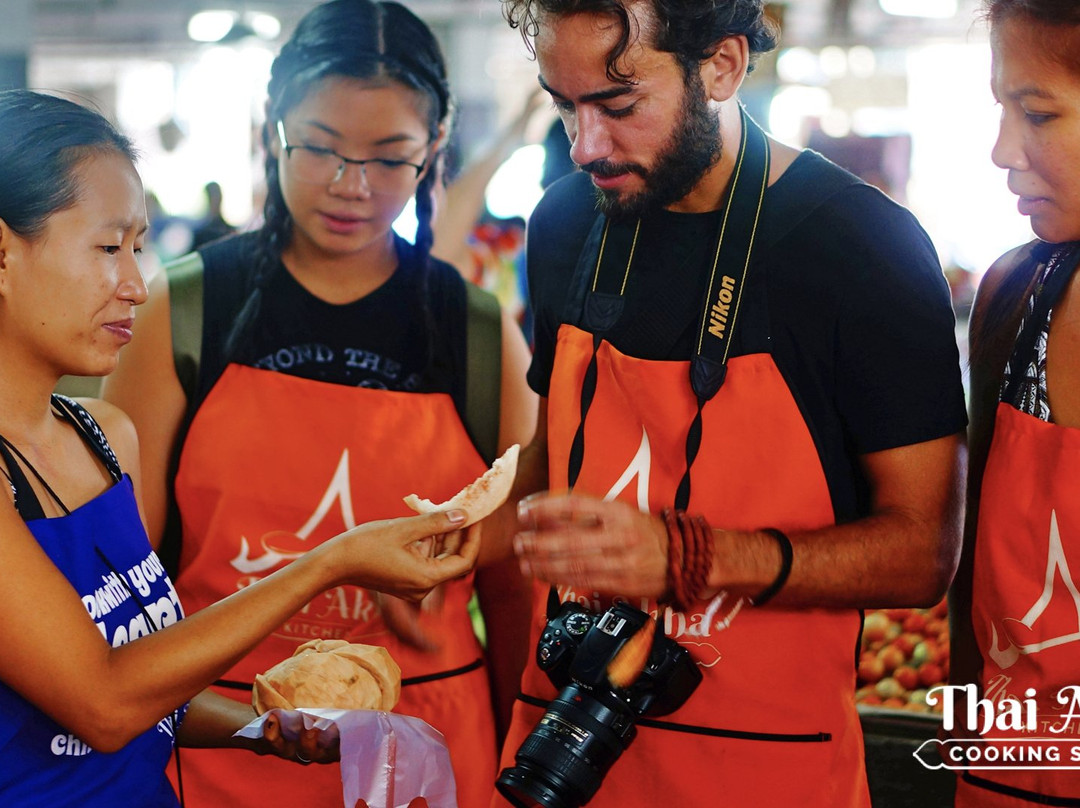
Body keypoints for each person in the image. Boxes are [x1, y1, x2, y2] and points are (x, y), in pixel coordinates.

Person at [483, 2, 968, 806]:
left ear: (722, 65)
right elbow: (550, 453)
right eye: (565, 106)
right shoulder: (566, 222)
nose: (585, 147)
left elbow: (922, 556)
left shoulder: (861, 247)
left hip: (768, 768)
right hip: (562, 749)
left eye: (618, 103)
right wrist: (453, 540)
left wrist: (693, 560)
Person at [102, 2, 537, 807]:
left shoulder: (477, 334)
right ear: (275, 129)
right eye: (320, 150)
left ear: (435, 150)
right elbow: (126, 573)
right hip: (226, 733)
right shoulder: (186, 307)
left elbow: (514, 587)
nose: (351, 186)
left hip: (424, 750)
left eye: (389, 158)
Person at [0, 88, 480, 808]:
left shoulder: (105, 439)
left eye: (139, 246)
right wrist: (332, 561)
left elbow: (148, 683)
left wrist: (263, 726)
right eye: (108, 248)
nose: (135, 283)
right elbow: (102, 702)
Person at [949, 2, 1080, 805]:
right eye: (1003, 108)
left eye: (1037, 114)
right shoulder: (1016, 295)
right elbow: (972, 604)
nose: (1003, 152)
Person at [190, 180, 237, 249]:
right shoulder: (200, 234)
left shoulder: (230, 232)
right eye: (213, 196)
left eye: (217, 196)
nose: (215, 200)